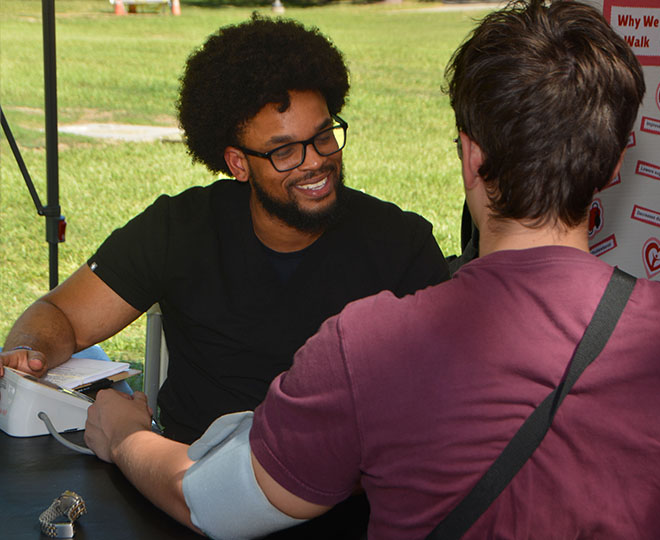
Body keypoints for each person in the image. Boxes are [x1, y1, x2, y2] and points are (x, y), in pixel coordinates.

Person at [83, 1, 660, 538]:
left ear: (471, 158)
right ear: (613, 166)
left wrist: (124, 434)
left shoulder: (367, 349)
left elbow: (211, 504)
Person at [0, 14, 449, 539]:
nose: (316, 163)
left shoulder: (399, 245)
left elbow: (433, 420)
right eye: (284, 150)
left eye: (324, 135)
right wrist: (28, 353)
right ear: (238, 163)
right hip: (178, 486)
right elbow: (60, 315)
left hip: (343, 506)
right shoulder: (181, 227)